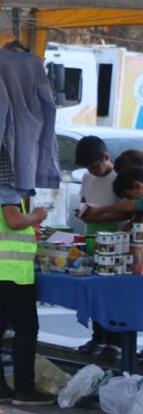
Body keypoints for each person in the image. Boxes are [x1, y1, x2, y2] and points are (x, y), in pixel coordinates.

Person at [0, 190, 55, 405]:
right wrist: (37, 215)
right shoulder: (7, 184)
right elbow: (13, 221)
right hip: (13, 273)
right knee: (26, 330)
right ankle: (25, 389)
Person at [74, 136, 122, 358]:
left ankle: (115, 341)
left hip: (115, 243)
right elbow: (84, 201)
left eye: (94, 166)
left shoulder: (118, 179)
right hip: (92, 238)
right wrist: (83, 212)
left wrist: (100, 215)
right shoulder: (87, 177)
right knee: (95, 294)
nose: (92, 171)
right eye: (88, 168)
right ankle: (98, 337)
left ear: (106, 157)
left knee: (112, 295)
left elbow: (126, 211)